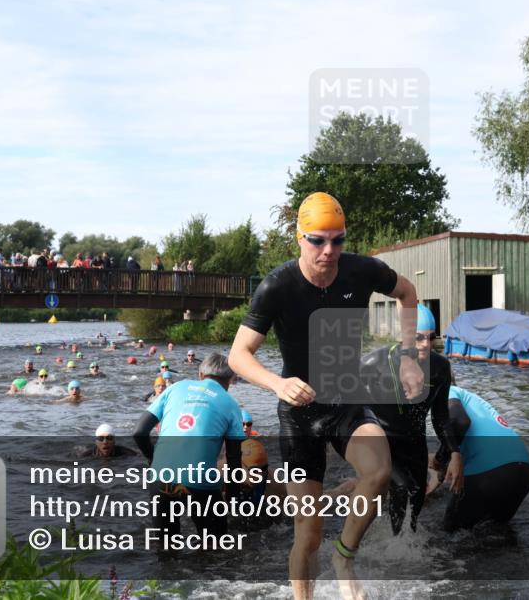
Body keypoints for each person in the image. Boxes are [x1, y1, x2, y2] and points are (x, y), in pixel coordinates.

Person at [228, 191, 423, 600]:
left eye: (338, 240)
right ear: (299, 238)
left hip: (346, 401)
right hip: (299, 414)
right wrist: (278, 384)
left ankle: (344, 558)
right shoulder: (277, 286)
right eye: (318, 240)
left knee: (378, 470)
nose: (329, 251)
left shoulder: (363, 272)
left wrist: (408, 358)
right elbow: (238, 356)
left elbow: (408, 294)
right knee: (308, 531)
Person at [358, 303, 463, 535]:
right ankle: (391, 548)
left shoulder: (440, 367)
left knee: (416, 495)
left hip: (415, 441)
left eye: (430, 338)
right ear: (404, 336)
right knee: (402, 487)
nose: (426, 344)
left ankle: (405, 547)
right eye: (418, 338)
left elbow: (440, 416)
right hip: (381, 441)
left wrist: (454, 452)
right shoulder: (374, 363)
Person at [132, 353, 245, 545]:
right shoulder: (230, 404)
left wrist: (152, 459)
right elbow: (234, 460)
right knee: (215, 548)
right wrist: (232, 501)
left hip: (160, 477)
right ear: (230, 380)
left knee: (166, 550)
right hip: (200, 482)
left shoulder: (175, 387)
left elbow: (139, 432)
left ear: (200, 374)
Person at [429, 386, 529, 532]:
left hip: (491, 473)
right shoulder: (472, 400)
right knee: (494, 536)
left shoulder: (447, 390)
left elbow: (459, 422)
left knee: (448, 536)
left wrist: (439, 460)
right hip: (523, 471)